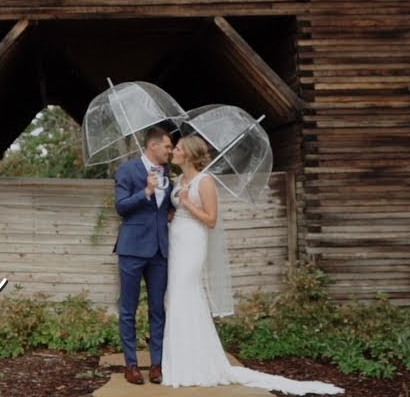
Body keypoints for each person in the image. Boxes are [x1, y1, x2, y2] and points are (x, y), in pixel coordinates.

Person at [163, 135, 343, 395]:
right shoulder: (178, 180)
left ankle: (196, 363)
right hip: (176, 239)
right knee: (174, 296)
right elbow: (176, 209)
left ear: (189, 154)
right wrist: (173, 212)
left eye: (178, 149)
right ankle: (179, 358)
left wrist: (188, 203)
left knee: (186, 294)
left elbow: (211, 220)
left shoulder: (205, 181)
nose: (173, 152)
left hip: (193, 242)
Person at [113, 125, 174, 385]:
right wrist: (146, 192)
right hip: (132, 249)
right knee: (128, 309)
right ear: (153, 146)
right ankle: (132, 365)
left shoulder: (168, 173)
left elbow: (165, 209)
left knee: (158, 309)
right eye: (168, 147)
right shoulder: (126, 170)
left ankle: (157, 364)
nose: (170, 151)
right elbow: (121, 207)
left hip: (160, 249)